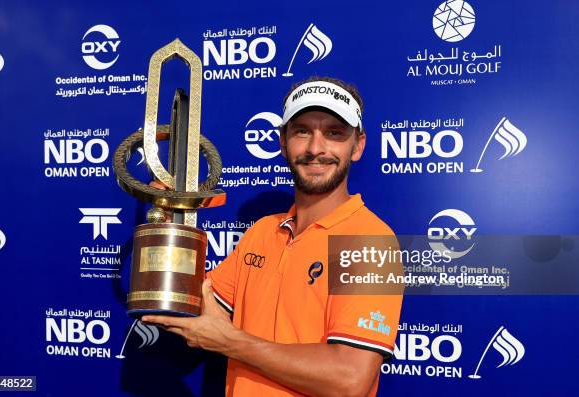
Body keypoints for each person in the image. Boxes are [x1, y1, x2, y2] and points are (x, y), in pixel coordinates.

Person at [143, 77, 403, 397]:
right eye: (302, 131)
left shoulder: (372, 242)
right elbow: (194, 306)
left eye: (334, 133)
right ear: (283, 142)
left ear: (358, 145)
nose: (315, 148)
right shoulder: (263, 231)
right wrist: (169, 228)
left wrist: (231, 342)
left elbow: (349, 380)